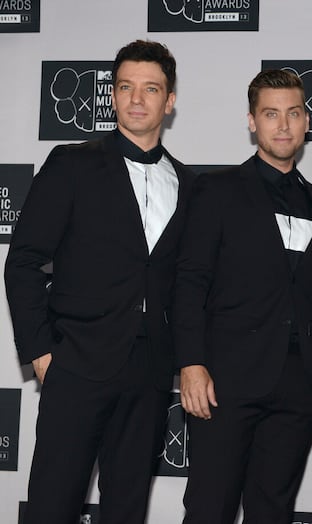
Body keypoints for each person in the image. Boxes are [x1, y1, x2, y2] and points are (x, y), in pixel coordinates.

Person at [4, 40, 194, 524]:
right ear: (111, 96)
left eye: (150, 88)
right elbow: (23, 261)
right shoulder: (72, 164)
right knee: (52, 504)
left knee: (127, 508)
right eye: (125, 86)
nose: (136, 98)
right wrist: (42, 353)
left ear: (168, 101)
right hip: (77, 363)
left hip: (151, 372)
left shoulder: (191, 185)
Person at [174, 69, 312, 524]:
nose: (283, 125)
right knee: (211, 508)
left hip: (298, 384)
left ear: (307, 122)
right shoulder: (216, 190)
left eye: (293, 113)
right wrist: (191, 363)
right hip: (224, 383)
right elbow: (189, 281)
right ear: (252, 121)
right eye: (271, 114)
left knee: (273, 511)